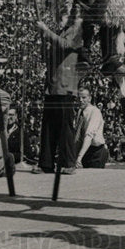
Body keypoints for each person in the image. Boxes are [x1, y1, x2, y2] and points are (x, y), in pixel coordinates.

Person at [34, 19, 81, 175]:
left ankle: (69, 162)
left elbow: (66, 45)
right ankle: (46, 163)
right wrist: (44, 40)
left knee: (65, 127)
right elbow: (45, 57)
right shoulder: (61, 31)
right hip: (53, 85)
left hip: (66, 86)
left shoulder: (77, 27)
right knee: (48, 126)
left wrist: (46, 31)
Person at [74, 86, 109, 168]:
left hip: (97, 152)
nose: (81, 100)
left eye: (84, 98)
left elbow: (89, 135)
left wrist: (79, 157)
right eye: (79, 98)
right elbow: (78, 136)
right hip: (85, 150)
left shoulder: (95, 112)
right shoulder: (80, 111)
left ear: (89, 98)